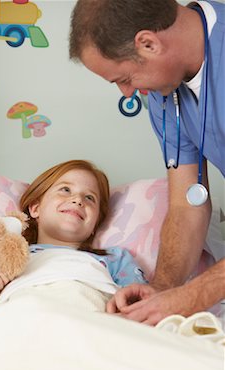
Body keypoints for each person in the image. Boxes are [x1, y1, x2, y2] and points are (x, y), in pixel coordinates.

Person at [69, 0, 225, 325]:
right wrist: (162, 289)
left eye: (124, 78)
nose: (127, 93)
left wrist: (190, 297)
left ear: (148, 43)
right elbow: (187, 205)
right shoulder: (165, 96)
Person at [0, 160, 146, 317]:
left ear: (94, 226)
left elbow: (145, 308)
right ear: (36, 208)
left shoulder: (115, 259)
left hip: (91, 324)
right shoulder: (4, 254)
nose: (78, 199)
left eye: (90, 198)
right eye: (65, 190)